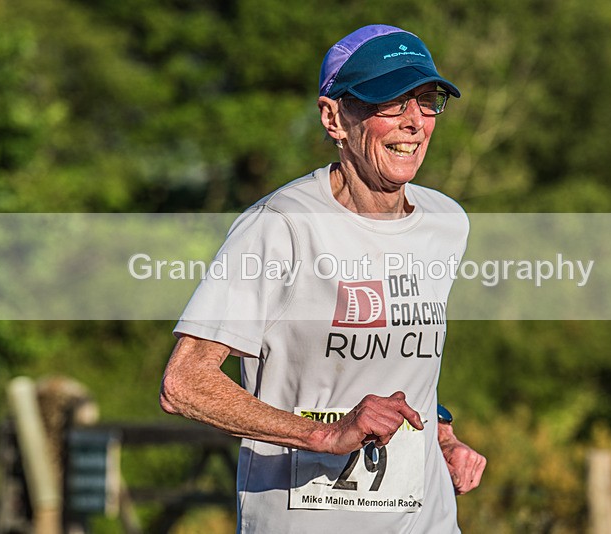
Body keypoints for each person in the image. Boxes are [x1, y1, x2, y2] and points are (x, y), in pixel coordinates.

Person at [160, 24, 486, 533]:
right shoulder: (280, 227)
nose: (414, 122)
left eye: (426, 100)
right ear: (333, 117)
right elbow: (185, 383)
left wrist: (441, 435)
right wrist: (325, 437)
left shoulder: (447, 224)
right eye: (390, 102)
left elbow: (403, 356)